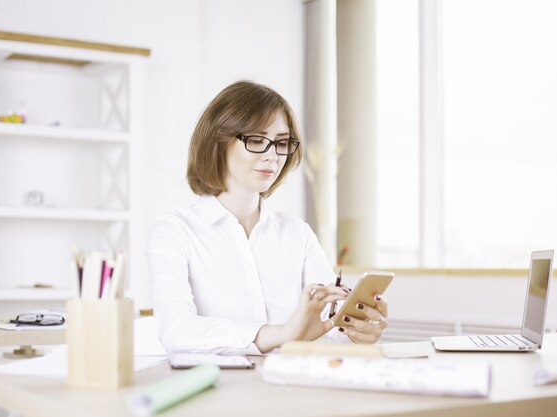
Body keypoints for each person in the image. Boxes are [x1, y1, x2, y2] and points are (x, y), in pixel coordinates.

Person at [146, 81, 388, 354]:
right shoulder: (175, 231)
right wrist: (279, 334)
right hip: (218, 390)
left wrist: (358, 328)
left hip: (289, 386)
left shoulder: (297, 233)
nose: (273, 156)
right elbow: (176, 330)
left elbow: (329, 323)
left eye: (282, 143)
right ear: (218, 141)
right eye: (258, 140)